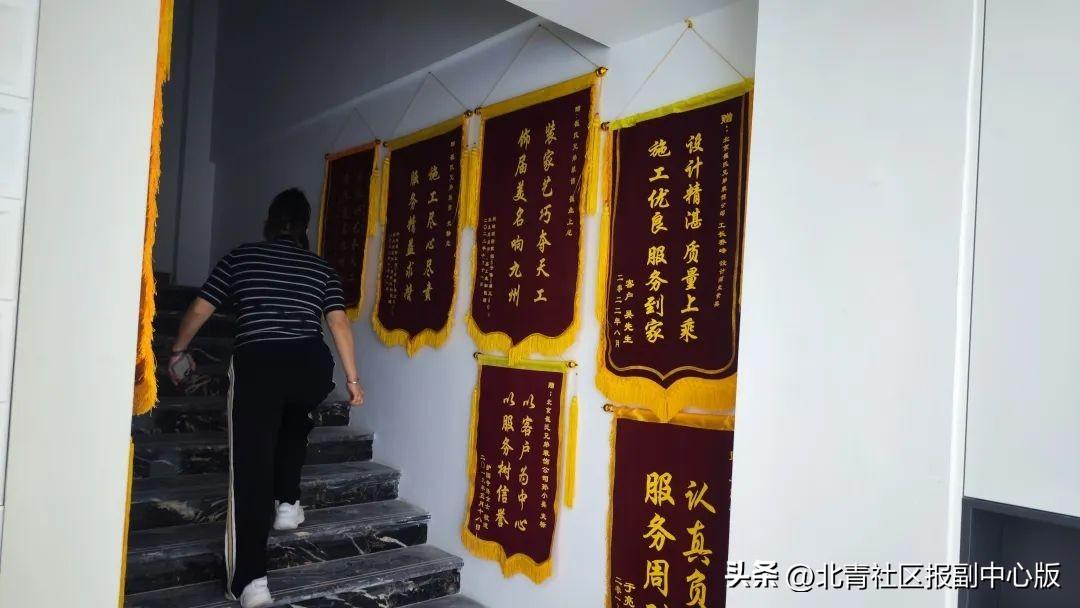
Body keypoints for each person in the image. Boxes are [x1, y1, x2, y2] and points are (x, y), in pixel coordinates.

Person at [168, 187, 364, 608]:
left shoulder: (242, 257)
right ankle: (288, 503)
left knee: (252, 468)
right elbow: (338, 323)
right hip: (311, 365)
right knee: (295, 420)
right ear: (305, 227)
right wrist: (352, 379)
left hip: (260, 363)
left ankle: (252, 582)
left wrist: (178, 350)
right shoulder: (321, 267)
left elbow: (201, 307)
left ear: (268, 223)